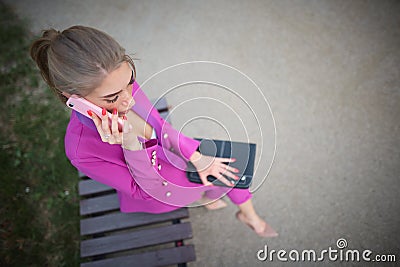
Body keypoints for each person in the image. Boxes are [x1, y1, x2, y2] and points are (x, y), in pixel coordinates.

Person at [29, 25, 277, 237]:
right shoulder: (81, 150)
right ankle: (246, 216)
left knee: (224, 165)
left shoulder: (119, 84)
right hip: (160, 189)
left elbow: (162, 127)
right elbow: (148, 189)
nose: (130, 99)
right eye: (112, 98)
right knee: (230, 173)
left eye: (130, 82)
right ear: (74, 99)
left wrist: (197, 157)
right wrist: (130, 144)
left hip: (175, 156)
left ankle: (225, 204)